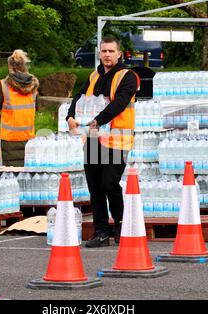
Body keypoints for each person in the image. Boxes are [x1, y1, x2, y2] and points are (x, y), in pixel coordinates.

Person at [66, 35, 140, 248]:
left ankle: (120, 222)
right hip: (92, 140)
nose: (107, 55)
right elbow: (78, 98)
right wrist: (70, 116)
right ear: (99, 53)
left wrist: (97, 121)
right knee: (95, 187)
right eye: (104, 51)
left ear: (119, 54)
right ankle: (100, 231)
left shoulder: (128, 76)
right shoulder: (93, 76)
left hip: (116, 141)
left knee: (109, 184)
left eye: (111, 51)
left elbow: (118, 105)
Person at [0, 49, 39, 167]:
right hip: (29, 137)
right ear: (24, 66)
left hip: (10, 138)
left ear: (10, 67)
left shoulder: (4, 85)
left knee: (11, 174)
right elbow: (36, 107)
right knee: (27, 173)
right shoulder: (33, 85)